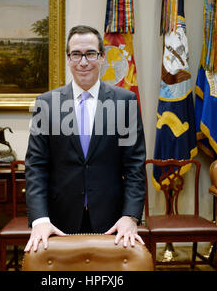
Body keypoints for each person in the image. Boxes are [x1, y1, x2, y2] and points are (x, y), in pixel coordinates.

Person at [24, 25, 146, 252]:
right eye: (76, 54)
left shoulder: (125, 101)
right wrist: (40, 219)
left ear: (102, 57)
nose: (83, 62)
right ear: (68, 58)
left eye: (90, 53)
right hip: (58, 222)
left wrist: (130, 216)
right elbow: (36, 167)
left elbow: (134, 166)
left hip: (113, 223)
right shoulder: (46, 104)